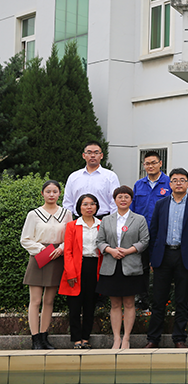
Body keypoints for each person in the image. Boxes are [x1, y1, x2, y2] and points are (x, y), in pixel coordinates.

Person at [145, 168, 188, 349]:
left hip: (185, 256)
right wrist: (152, 258)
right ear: (170, 184)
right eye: (174, 180)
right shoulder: (161, 204)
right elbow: (154, 232)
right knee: (158, 300)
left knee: (182, 300)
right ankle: (153, 339)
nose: (178, 183)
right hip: (163, 255)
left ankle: (179, 338)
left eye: (182, 180)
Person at [96, 186, 149, 350]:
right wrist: (111, 250)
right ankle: (116, 338)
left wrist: (128, 251)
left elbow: (144, 241)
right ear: (115, 200)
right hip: (111, 265)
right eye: (120, 197)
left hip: (130, 265)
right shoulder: (106, 220)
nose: (123, 200)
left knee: (129, 303)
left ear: (131, 200)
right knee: (115, 304)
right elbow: (99, 241)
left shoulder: (139, 219)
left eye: (126, 197)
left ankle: (126, 338)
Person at [20, 180, 71, 350]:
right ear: (42, 193)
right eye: (48, 191)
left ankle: (44, 337)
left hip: (57, 257)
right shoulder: (33, 214)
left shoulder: (66, 213)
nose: (51, 194)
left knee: (49, 300)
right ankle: (35, 339)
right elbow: (25, 239)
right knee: (35, 300)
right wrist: (42, 249)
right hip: (39, 257)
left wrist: (62, 248)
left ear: (59, 193)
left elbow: (70, 236)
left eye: (55, 191)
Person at [59, 193, 103, 349]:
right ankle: (76, 339)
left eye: (92, 204)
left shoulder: (102, 224)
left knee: (90, 305)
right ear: (79, 207)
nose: (89, 207)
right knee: (75, 306)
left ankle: (86, 338)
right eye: (85, 204)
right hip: (77, 267)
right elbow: (68, 251)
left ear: (96, 206)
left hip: (95, 266)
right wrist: (70, 273)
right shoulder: (72, 225)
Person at [131, 150, 171, 310]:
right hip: (142, 234)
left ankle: (163, 302)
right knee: (142, 268)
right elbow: (133, 209)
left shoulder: (169, 183)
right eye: (147, 163)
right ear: (143, 165)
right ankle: (143, 301)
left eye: (154, 163)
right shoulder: (139, 185)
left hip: (162, 234)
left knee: (162, 269)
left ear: (160, 163)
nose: (150, 166)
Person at [63, 140, 120, 218]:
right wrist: (68, 221)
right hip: (78, 219)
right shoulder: (73, 177)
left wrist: (112, 221)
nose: (92, 155)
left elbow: (115, 202)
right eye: (89, 153)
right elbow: (68, 202)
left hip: (102, 219)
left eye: (96, 153)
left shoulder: (110, 176)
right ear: (84, 155)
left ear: (101, 155)